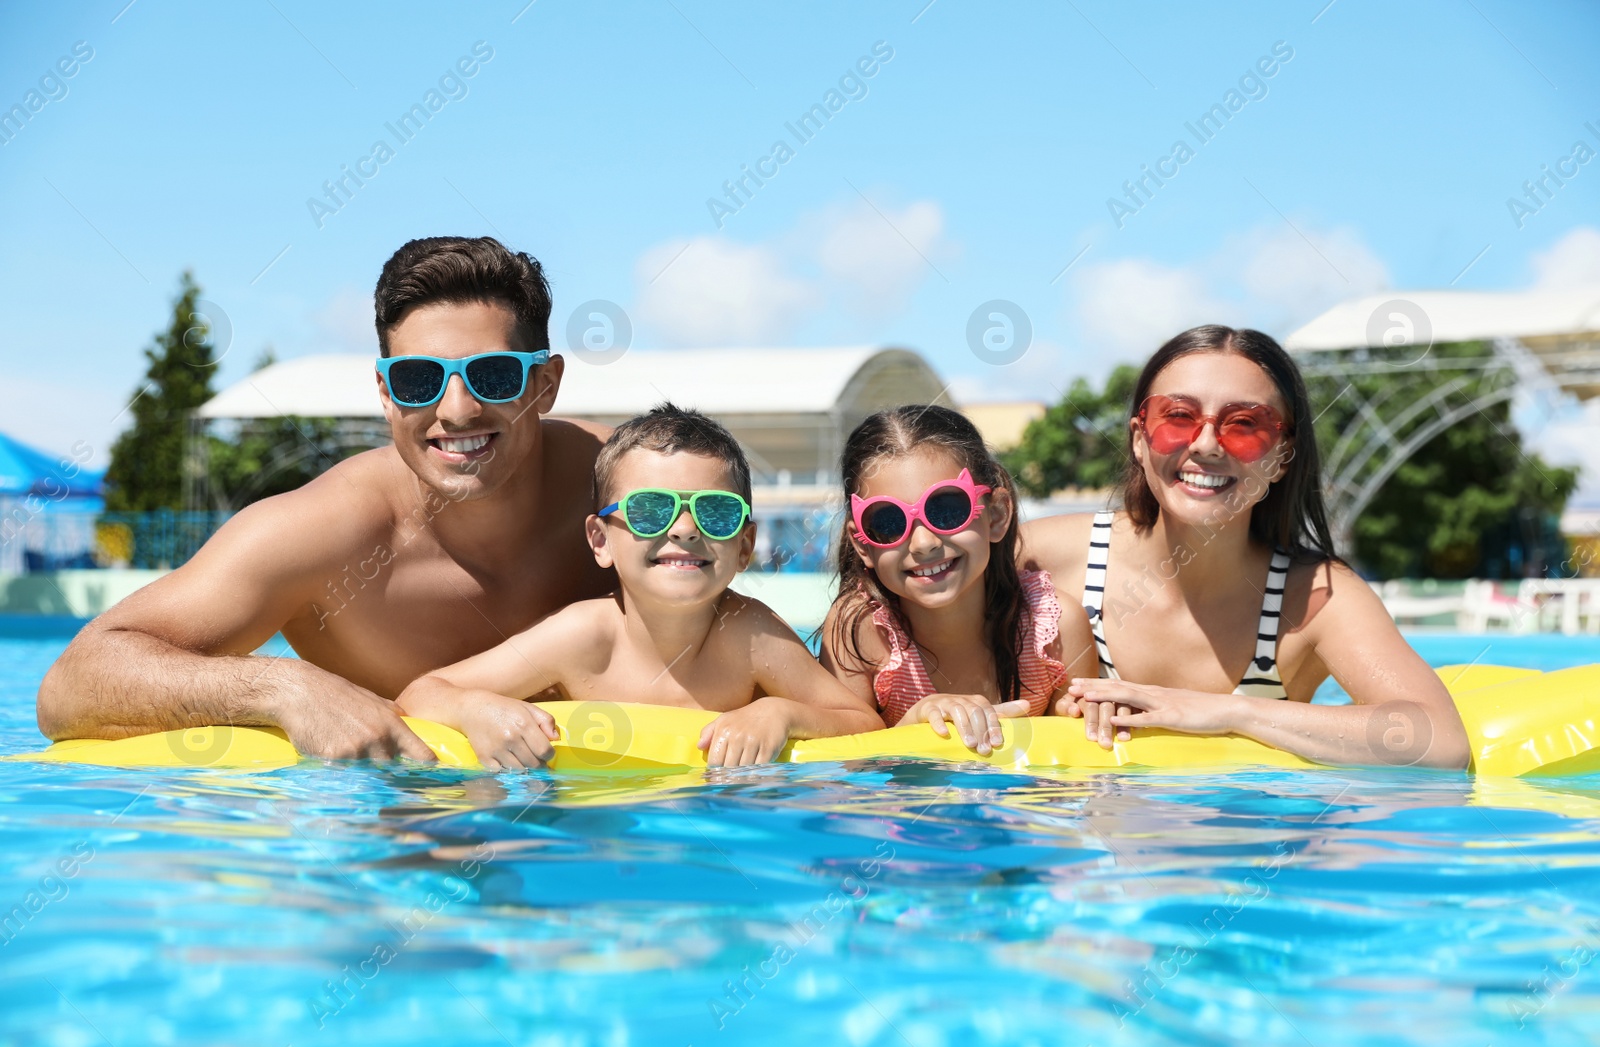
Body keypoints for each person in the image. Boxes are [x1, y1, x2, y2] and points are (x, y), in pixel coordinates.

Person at [37, 237, 618, 761]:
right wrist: (287, 689)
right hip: (395, 838)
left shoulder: (627, 485)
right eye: (420, 379)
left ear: (545, 385)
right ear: (388, 395)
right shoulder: (322, 533)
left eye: (494, 375)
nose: (457, 409)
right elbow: (70, 687)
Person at [1021, 325, 1470, 769]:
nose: (1207, 445)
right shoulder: (1050, 557)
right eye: (1178, 417)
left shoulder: (1316, 596)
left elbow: (1440, 741)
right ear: (1140, 439)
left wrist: (1231, 712)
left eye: (1245, 425)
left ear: (1281, 456)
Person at [397, 403, 880, 768]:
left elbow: (865, 725)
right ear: (600, 540)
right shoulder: (584, 637)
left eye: (715, 512)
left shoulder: (748, 636)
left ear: (745, 545)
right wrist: (476, 709)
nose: (685, 528)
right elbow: (420, 695)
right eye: (651, 510)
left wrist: (782, 713)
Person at [820, 405, 1098, 755]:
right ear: (863, 544)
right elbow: (839, 765)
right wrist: (913, 725)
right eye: (890, 522)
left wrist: (1080, 716)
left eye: (947, 509)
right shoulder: (860, 632)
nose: (924, 544)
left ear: (996, 514)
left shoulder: (1056, 628)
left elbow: (1078, 775)